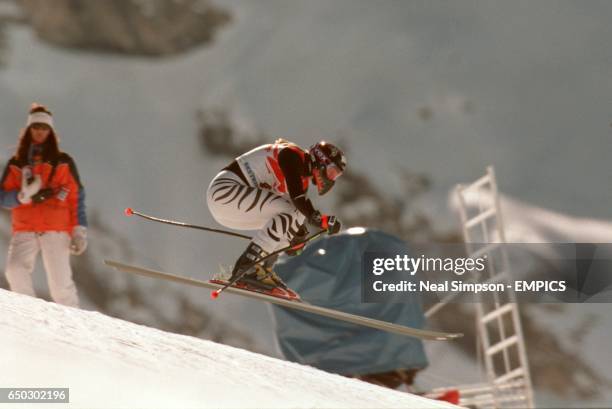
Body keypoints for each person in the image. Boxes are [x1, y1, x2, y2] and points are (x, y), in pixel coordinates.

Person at [206, 138, 346, 289]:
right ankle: (248, 268)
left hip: (231, 208)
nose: (331, 179)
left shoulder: (302, 178)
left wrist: (296, 238)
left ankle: (263, 268)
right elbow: (297, 198)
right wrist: (321, 220)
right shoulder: (292, 154)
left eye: (335, 176)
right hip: (224, 192)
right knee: (292, 211)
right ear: (321, 160)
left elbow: (298, 212)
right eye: (332, 172)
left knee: (296, 216)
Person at [1, 103, 87, 307]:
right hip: (25, 227)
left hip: (56, 229)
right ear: (29, 129)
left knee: (60, 287)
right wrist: (22, 197)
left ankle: (74, 329)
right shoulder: (17, 163)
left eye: (44, 128)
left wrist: (79, 229)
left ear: (50, 131)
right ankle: (31, 316)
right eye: (36, 127)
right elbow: (3, 197)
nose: (40, 132)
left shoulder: (63, 162)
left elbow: (77, 195)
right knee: (14, 271)